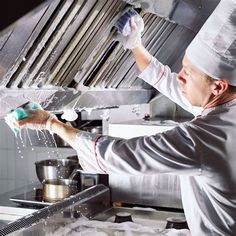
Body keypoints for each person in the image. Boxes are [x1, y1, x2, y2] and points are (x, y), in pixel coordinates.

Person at [8, 0, 236, 235]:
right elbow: (171, 83)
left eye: (187, 74)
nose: (180, 77)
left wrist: (49, 123)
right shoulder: (226, 107)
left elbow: (120, 155)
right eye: (183, 67)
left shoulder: (206, 138)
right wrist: (135, 45)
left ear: (219, 86)